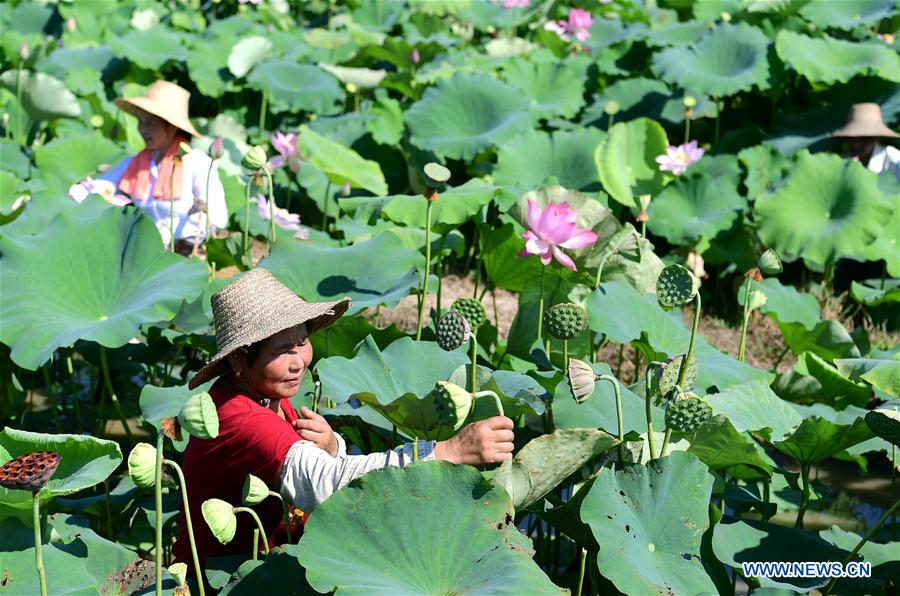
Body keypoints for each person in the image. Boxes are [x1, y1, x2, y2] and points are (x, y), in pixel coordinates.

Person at [172, 268, 515, 569]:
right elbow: (327, 485)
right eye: (281, 351)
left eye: (302, 342)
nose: (299, 361)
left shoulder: (268, 395)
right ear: (238, 360)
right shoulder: (237, 416)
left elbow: (322, 474)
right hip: (218, 582)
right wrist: (445, 453)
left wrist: (332, 446)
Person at [70, 80, 227, 254]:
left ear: (173, 127)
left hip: (184, 253)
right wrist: (81, 191)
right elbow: (103, 185)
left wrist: (175, 237)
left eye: (150, 124)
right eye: (140, 122)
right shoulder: (137, 163)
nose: (142, 130)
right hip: (141, 249)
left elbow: (218, 218)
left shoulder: (196, 163)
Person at [833, 102, 900, 182]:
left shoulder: (895, 161)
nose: (856, 145)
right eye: (852, 138)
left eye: (862, 138)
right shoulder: (842, 163)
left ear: (876, 138)